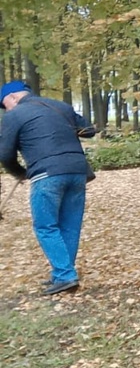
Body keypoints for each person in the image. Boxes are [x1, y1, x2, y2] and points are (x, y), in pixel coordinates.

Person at [0, 80, 96, 295]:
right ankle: (63, 273)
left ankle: (65, 275)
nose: (5, 109)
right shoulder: (60, 106)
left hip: (46, 174)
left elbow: (5, 154)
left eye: (4, 104)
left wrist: (20, 172)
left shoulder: (14, 115)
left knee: (45, 226)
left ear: (13, 96)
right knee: (69, 225)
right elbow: (89, 130)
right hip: (77, 171)